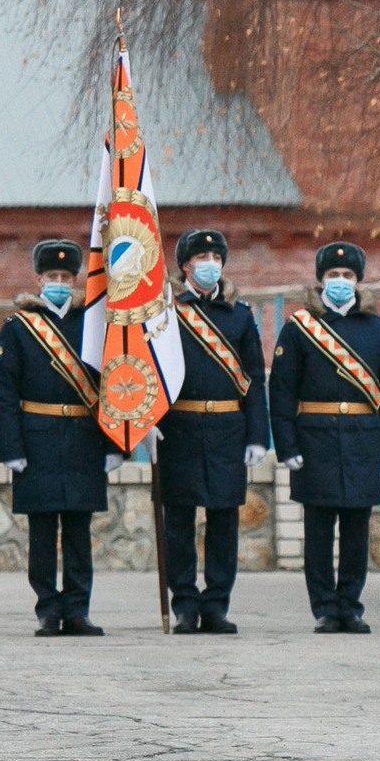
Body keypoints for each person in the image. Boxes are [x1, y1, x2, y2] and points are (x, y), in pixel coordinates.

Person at [271, 241, 380, 633]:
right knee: (318, 530)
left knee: (355, 530)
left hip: (363, 439)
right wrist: (288, 446)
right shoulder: (298, 328)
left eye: (347, 276)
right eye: (333, 276)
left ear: (358, 281)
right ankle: (324, 608)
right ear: (320, 281)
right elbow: (282, 391)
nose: (340, 282)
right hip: (314, 439)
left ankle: (350, 605)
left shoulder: (377, 329)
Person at [0, 238, 116, 637]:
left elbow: (114, 383)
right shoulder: (19, 327)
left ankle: (78, 608)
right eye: (52, 276)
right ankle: (48, 608)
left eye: (66, 276)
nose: (59, 282)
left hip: (84, 437)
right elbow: (5, 392)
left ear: (76, 278)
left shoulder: (93, 323)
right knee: (43, 532)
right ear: (38, 279)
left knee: (79, 531)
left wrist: (116, 444)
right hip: (38, 439)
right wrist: (10, 448)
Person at [157, 229, 268, 634]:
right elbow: (149, 368)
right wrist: (147, 423)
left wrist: (258, 436)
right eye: (201, 256)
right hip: (179, 426)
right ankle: (184, 603)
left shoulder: (238, 315)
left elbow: (254, 377)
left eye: (216, 257)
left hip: (226, 428)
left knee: (223, 521)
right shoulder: (165, 311)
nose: (210, 264)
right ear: (185, 265)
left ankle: (217, 604)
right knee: (179, 522)